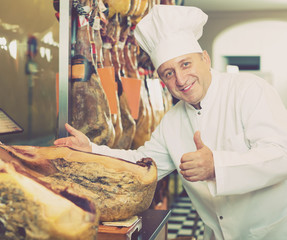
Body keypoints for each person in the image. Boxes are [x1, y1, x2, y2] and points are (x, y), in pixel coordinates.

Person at [54, 5, 287, 240]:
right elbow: (142, 164)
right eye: (168, 73)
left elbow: (281, 155)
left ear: (205, 59)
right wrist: (91, 151)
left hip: (271, 233)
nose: (181, 79)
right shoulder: (173, 121)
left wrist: (217, 165)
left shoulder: (249, 90)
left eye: (186, 64)